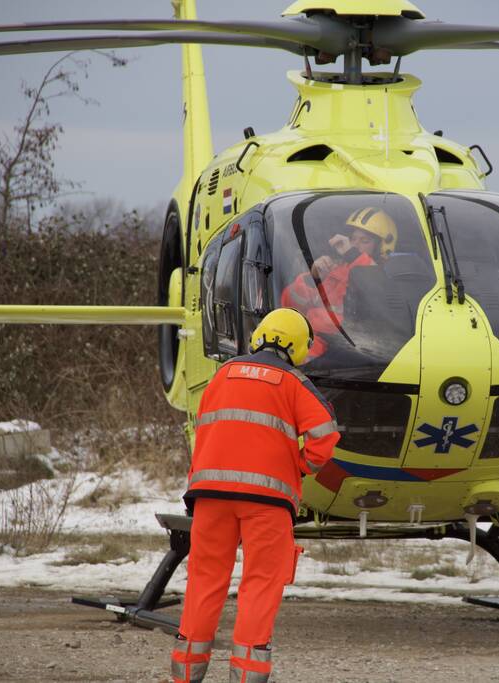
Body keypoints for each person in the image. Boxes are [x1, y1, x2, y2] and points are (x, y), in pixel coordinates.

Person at [170, 308, 340, 683]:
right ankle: (246, 675)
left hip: (210, 495)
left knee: (205, 577)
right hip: (267, 501)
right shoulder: (293, 381)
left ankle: (185, 671)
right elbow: (325, 435)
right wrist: (299, 467)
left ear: (259, 336)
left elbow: (206, 430)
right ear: (297, 346)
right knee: (261, 583)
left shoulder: (222, 375)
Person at [280, 207, 397, 358]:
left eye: (365, 241)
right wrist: (313, 280)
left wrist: (353, 256)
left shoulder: (388, 278)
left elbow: (368, 305)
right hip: (307, 342)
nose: (355, 245)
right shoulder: (335, 270)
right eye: (353, 239)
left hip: (343, 351)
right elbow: (288, 306)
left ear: (381, 248)